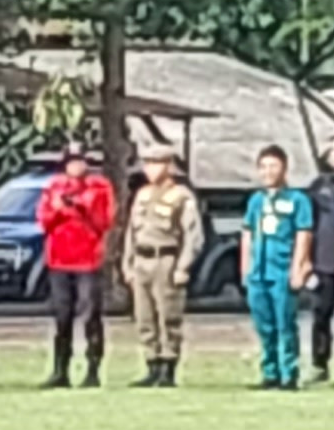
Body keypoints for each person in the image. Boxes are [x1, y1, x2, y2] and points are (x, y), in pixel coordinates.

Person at [124, 144, 208, 387]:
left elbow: (193, 235)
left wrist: (183, 266)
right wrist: (127, 263)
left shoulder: (181, 196)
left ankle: (168, 367)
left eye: (157, 163)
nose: (151, 169)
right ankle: (151, 364)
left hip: (166, 259)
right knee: (144, 317)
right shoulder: (142, 195)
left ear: (169, 165)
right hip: (142, 260)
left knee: (168, 316)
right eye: (148, 163)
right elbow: (131, 231)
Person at [36, 146, 115, 388]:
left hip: (87, 260)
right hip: (59, 260)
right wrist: (60, 208)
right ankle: (61, 370)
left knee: (90, 314)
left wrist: (82, 206)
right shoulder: (54, 188)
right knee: (62, 316)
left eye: (81, 161)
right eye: (71, 162)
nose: (76, 166)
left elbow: (105, 221)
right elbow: (43, 221)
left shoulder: (99, 188)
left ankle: (93, 370)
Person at [242, 146, 313, 389]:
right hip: (259, 272)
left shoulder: (297, 200)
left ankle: (289, 373)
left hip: (281, 269)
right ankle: (269, 372)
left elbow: (303, 234)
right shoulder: (256, 201)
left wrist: (298, 267)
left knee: (285, 323)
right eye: (263, 167)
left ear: (284, 168)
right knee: (264, 325)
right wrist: (246, 267)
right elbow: (247, 234)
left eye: (273, 166)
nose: (268, 172)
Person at [302, 138, 334, 385]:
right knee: (321, 314)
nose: (332, 153)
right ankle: (319, 364)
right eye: (330, 148)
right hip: (325, 260)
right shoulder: (319, 187)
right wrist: (306, 261)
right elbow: (306, 226)